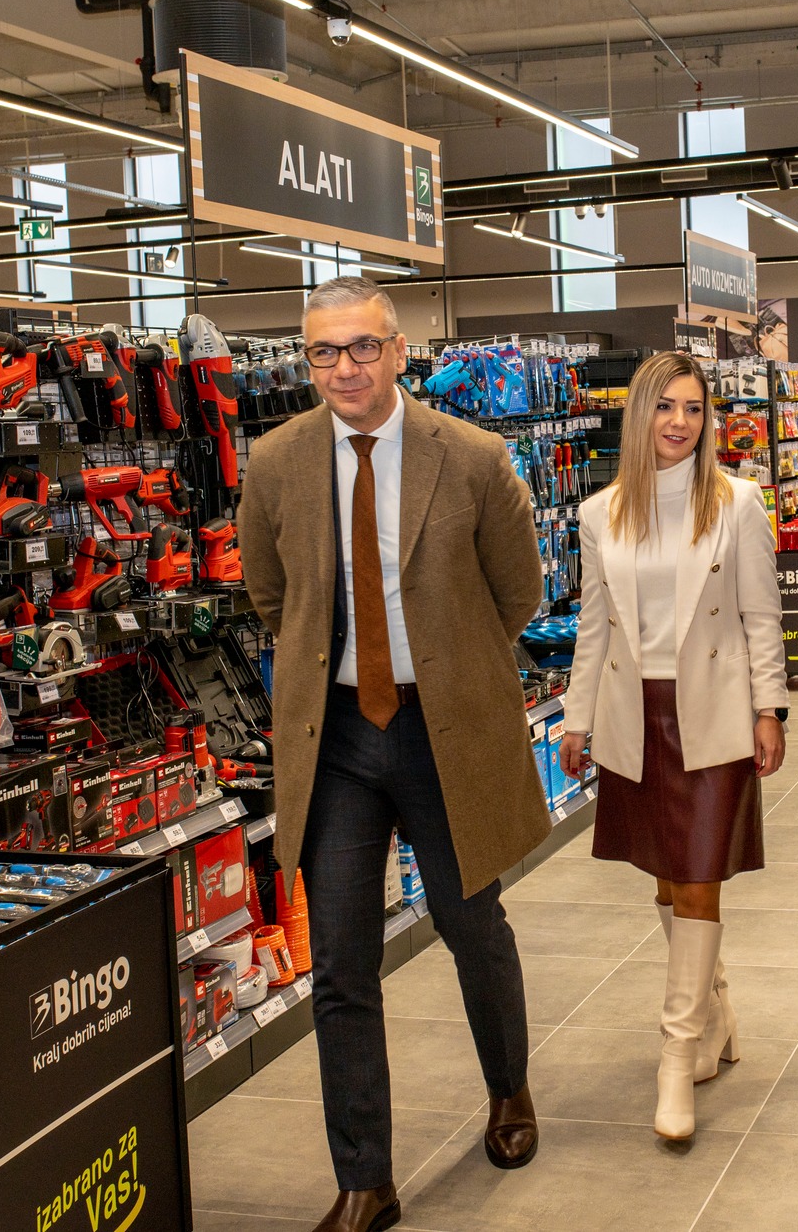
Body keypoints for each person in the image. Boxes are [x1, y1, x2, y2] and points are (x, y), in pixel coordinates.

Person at [240, 277, 549, 1232]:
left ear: (399, 350)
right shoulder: (275, 460)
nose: (345, 368)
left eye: (363, 347)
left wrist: (445, 665)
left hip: (441, 728)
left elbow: (519, 592)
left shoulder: (473, 455)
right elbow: (270, 595)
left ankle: (509, 1087)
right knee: (340, 960)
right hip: (334, 740)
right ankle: (364, 1178)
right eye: (324, 352)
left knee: (471, 923)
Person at [558, 352, 788, 1141]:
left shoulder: (738, 502)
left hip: (713, 712)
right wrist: (576, 717)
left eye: (694, 408)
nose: (680, 421)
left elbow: (761, 615)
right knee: (665, 876)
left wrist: (769, 709)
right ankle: (716, 1012)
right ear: (640, 415)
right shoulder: (600, 512)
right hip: (636, 714)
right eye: (665, 406)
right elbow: (594, 625)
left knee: (697, 878)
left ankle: (676, 1050)